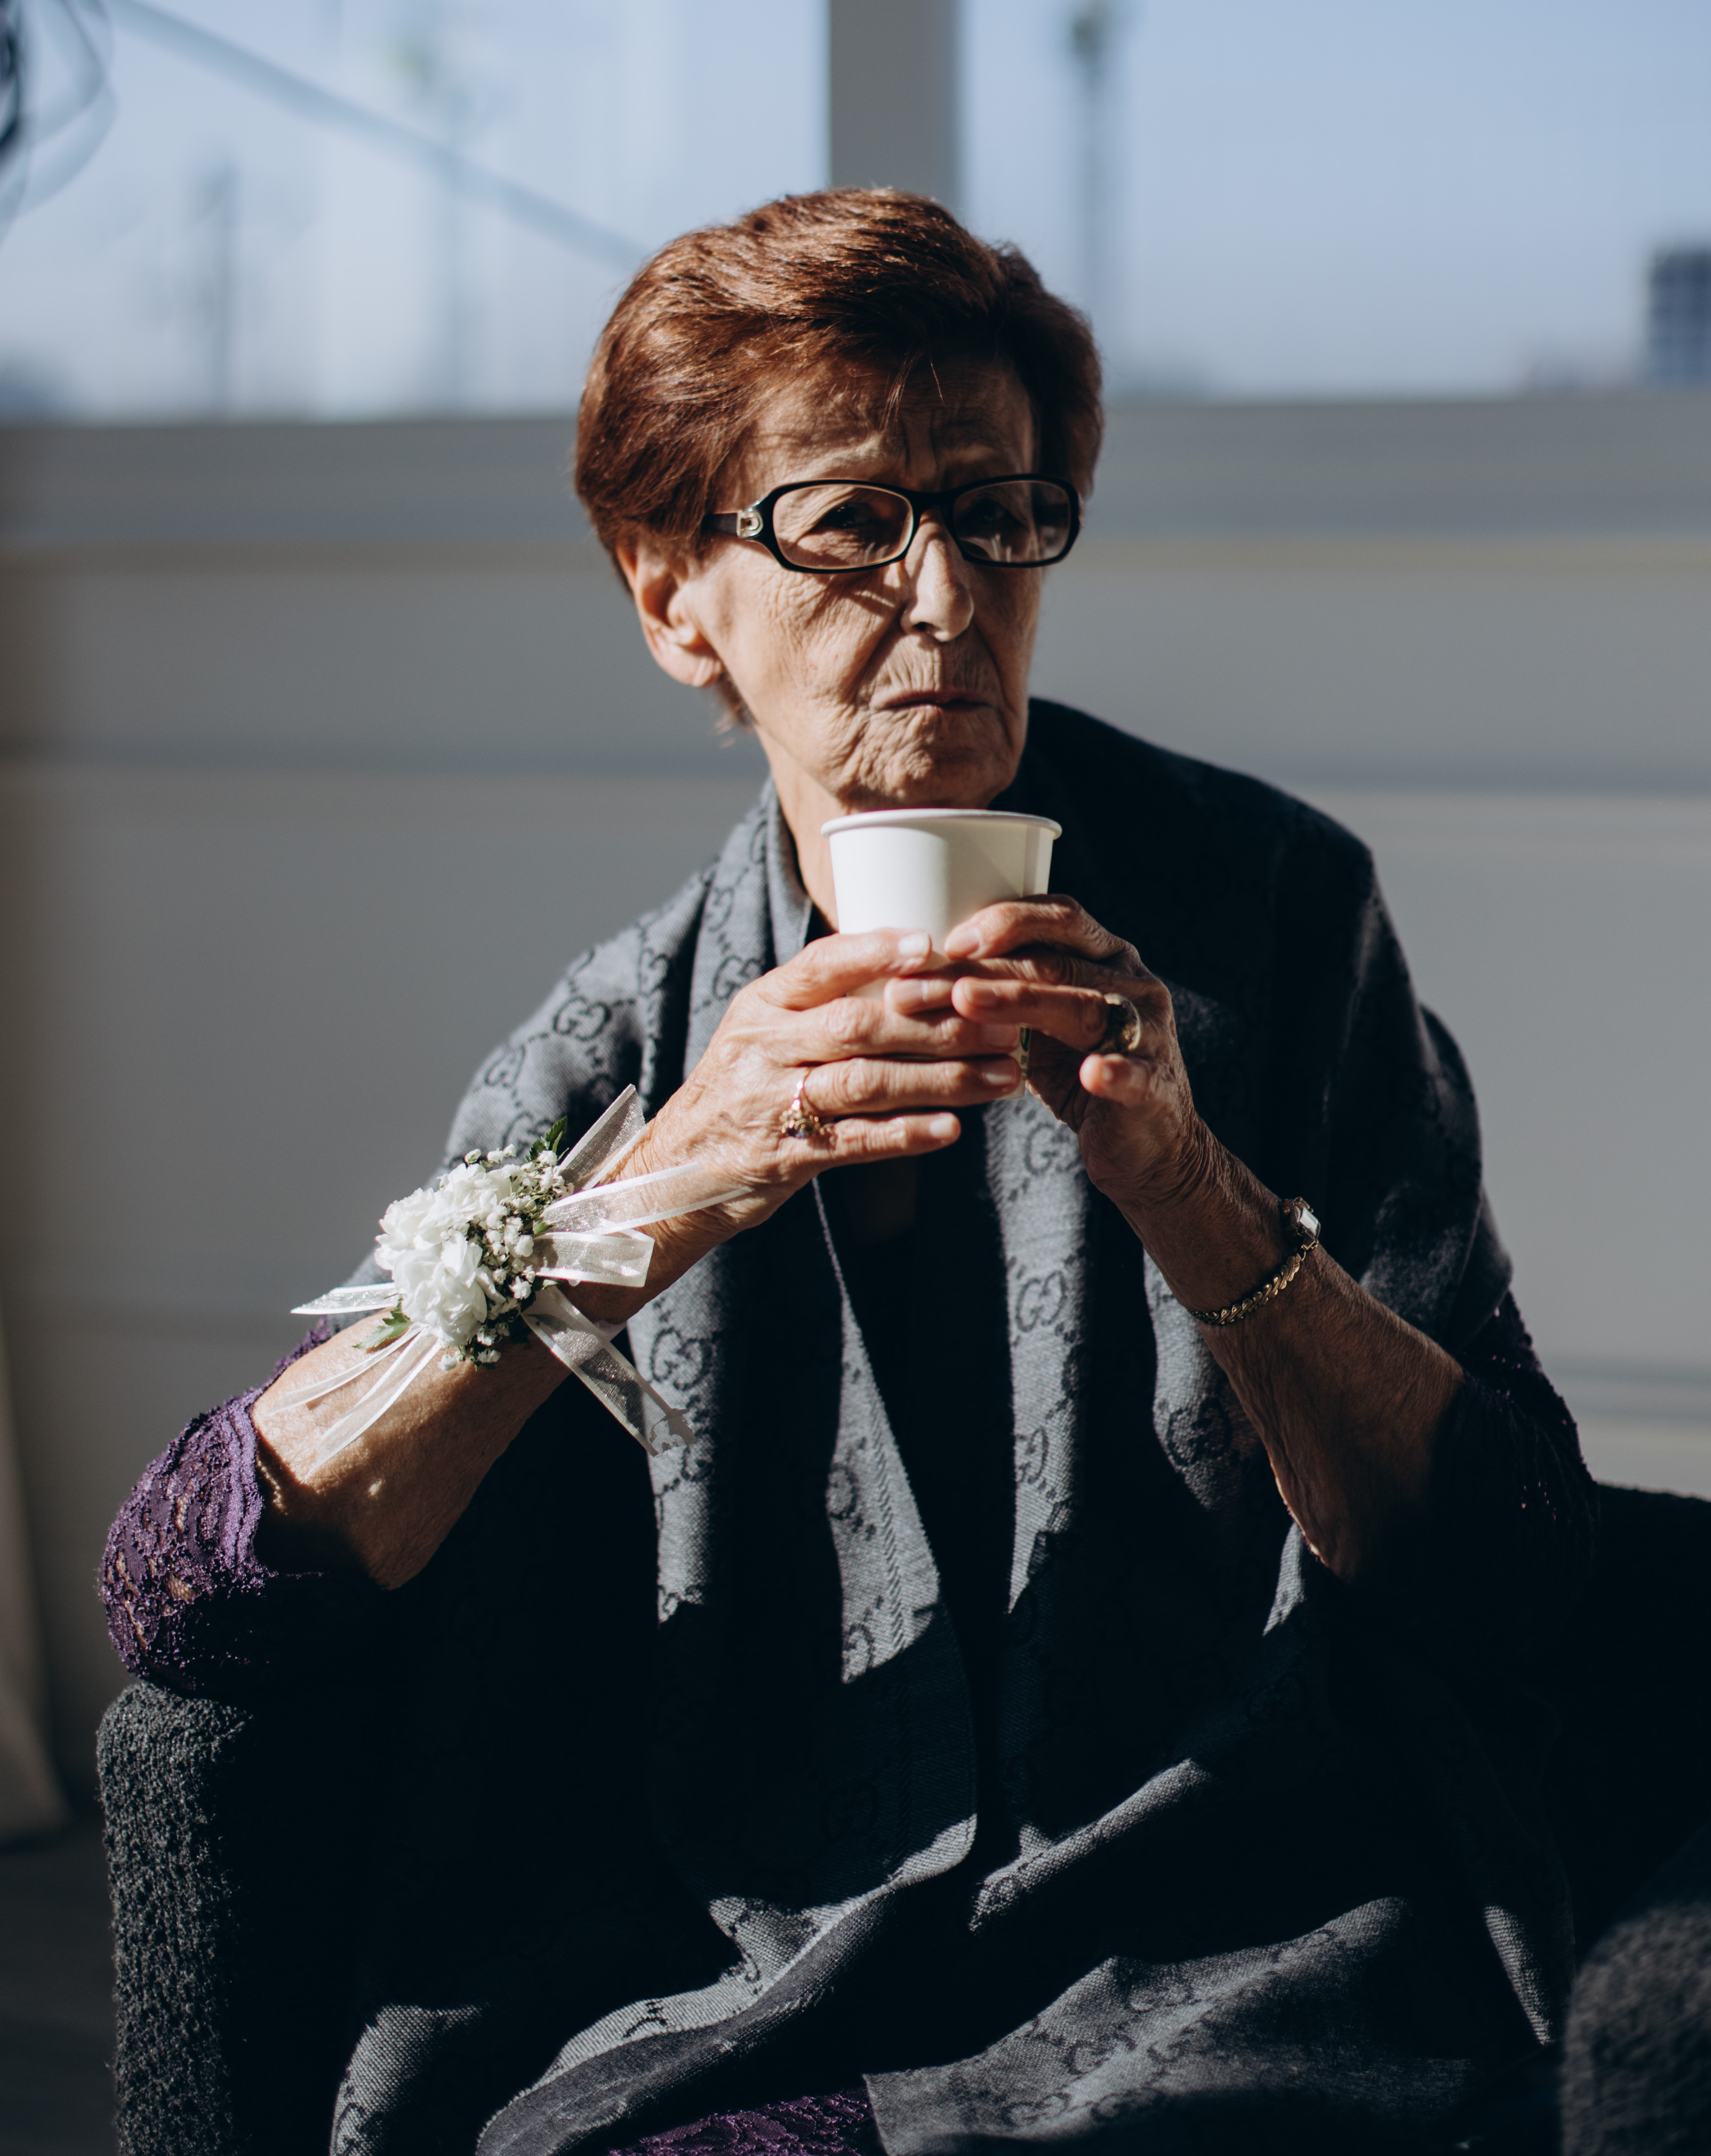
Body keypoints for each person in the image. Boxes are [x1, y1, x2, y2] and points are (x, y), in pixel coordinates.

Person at [104, 190, 1596, 2156]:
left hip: (1232, 1920)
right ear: (674, 599)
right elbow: (199, 1595)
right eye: (850, 523)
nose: (948, 598)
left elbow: (1512, 1563)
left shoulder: (1270, 923)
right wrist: (668, 1186)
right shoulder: (620, 1050)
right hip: (737, 1964)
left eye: (998, 515)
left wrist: (1188, 1184)